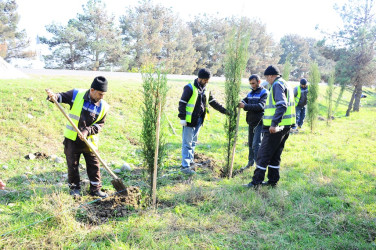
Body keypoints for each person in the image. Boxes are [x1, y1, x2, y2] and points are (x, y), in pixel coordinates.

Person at [46, 76, 109, 198]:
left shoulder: (104, 106)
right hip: (72, 139)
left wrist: (87, 131)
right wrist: (53, 97)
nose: (102, 97)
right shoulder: (76, 94)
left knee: (94, 165)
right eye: (100, 94)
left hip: (89, 141)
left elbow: (100, 125)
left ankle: (95, 189)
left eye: (104, 94)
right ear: (92, 90)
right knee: (72, 164)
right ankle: (74, 189)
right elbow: (60, 97)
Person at [244, 65, 296, 188]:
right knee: (275, 155)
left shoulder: (277, 85)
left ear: (271, 75)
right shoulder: (286, 84)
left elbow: (282, 105)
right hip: (286, 126)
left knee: (263, 154)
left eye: (267, 78)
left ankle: (256, 182)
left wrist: (274, 124)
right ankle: (273, 181)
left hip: (276, 128)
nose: (267, 80)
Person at [178, 68, 227, 174]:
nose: (206, 82)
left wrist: (224, 111)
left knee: (193, 142)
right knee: (187, 142)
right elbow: (182, 103)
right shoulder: (189, 88)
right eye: (205, 80)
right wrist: (182, 118)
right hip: (189, 120)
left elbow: (213, 102)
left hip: (199, 119)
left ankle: (190, 162)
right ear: (199, 78)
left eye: (208, 80)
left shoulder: (206, 89)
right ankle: (185, 166)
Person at [238, 74, 268, 169]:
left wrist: (245, 106)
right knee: (250, 144)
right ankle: (250, 163)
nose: (252, 85)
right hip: (251, 122)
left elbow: (261, 106)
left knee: (256, 144)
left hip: (259, 122)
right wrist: (239, 102)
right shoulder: (250, 93)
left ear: (259, 82)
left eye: (254, 83)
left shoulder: (264, 93)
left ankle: (258, 165)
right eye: (251, 84)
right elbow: (244, 101)